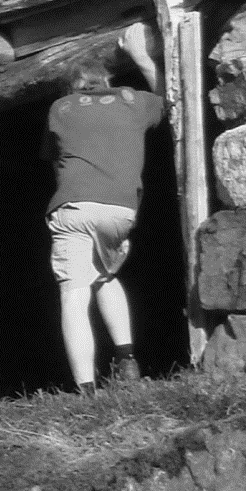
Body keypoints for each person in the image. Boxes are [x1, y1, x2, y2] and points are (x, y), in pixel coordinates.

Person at [43, 25, 164, 395]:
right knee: (105, 276)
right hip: (120, 211)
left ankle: (86, 389)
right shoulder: (133, 100)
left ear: (72, 86)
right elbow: (169, 95)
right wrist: (142, 57)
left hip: (75, 207)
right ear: (107, 78)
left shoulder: (60, 108)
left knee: (74, 294)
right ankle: (127, 360)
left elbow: (53, 159)